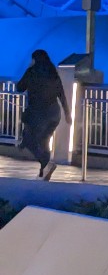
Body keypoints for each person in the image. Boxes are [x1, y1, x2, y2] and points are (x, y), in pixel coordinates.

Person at [16, 50, 71, 180]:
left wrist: (28, 71)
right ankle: (43, 172)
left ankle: (46, 164)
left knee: (28, 142)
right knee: (44, 141)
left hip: (38, 114)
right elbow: (62, 95)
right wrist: (68, 114)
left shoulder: (32, 72)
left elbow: (19, 87)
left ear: (35, 60)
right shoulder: (53, 74)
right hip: (54, 115)